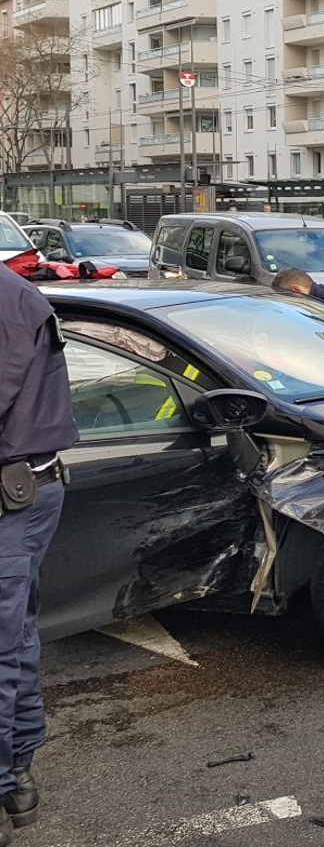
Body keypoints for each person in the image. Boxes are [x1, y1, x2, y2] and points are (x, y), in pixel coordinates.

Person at [0, 263, 79, 844]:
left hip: (12, 496)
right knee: (14, 640)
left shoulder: (6, 300)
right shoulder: (13, 294)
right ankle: (15, 776)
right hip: (26, 487)